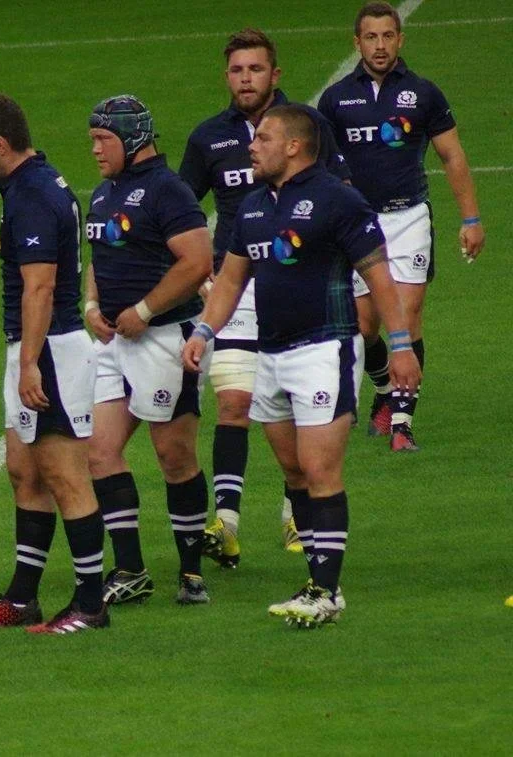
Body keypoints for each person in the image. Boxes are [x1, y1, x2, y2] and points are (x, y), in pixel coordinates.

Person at [182, 104, 422, 628]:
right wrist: (204, 330)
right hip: (270, 354)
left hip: (323, 350)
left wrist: (400, 345)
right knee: (293, 471)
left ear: (293, 146)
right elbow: (230, 280)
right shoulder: (251, 207)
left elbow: (380, 278)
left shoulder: (339, 200)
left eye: (263, 138)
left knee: (319, 470)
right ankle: (319, 580)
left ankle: (325, 589)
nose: (252, 145)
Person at [179, 28, 352, 566]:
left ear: (274, 75)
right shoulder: (209, 137)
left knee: (294, 414)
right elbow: (181, 210)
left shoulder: (307, 127)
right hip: (237, 288)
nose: (246, 78)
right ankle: (226, 522)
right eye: (236, 70)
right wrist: (202, 275)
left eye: (255, 69)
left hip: (298, 284)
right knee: (234, 404)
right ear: (226, 76)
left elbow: (337, 197)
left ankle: (296, 517)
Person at [0, 95, 108, 634]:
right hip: (35, 348)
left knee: (66, 476)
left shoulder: (34, 195)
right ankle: (23, 599)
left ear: (1, 145)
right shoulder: (30, 186)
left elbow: (39, 286)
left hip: (50, 351)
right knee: (24, 471)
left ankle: (91, 604)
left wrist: (27, 365)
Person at [317, 1, 485, 451]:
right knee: (365, 324)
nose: (379, 45)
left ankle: (402, 424)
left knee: (407, 319)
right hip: (357, 225)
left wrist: (471, 218)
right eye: (370, 37)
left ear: (400, 39)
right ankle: (381, 391)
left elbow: (452, 156)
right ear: (357, 43)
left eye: (387, 36)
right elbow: (322, 165)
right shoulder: (335, 100)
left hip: (409, 217)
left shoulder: (424, 94)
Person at [82, 95, 215, 607]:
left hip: (164, 340)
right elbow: (99, 255)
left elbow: (198, 260)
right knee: (100, 452)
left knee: (173, 455)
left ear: (134, 139)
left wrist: (144, 308)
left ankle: (191, 573)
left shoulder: (168, 190)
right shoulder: (104, 191)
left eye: (103, 140)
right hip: (117, 342)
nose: (95, 149)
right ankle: (131, 569)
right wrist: (93, 303)